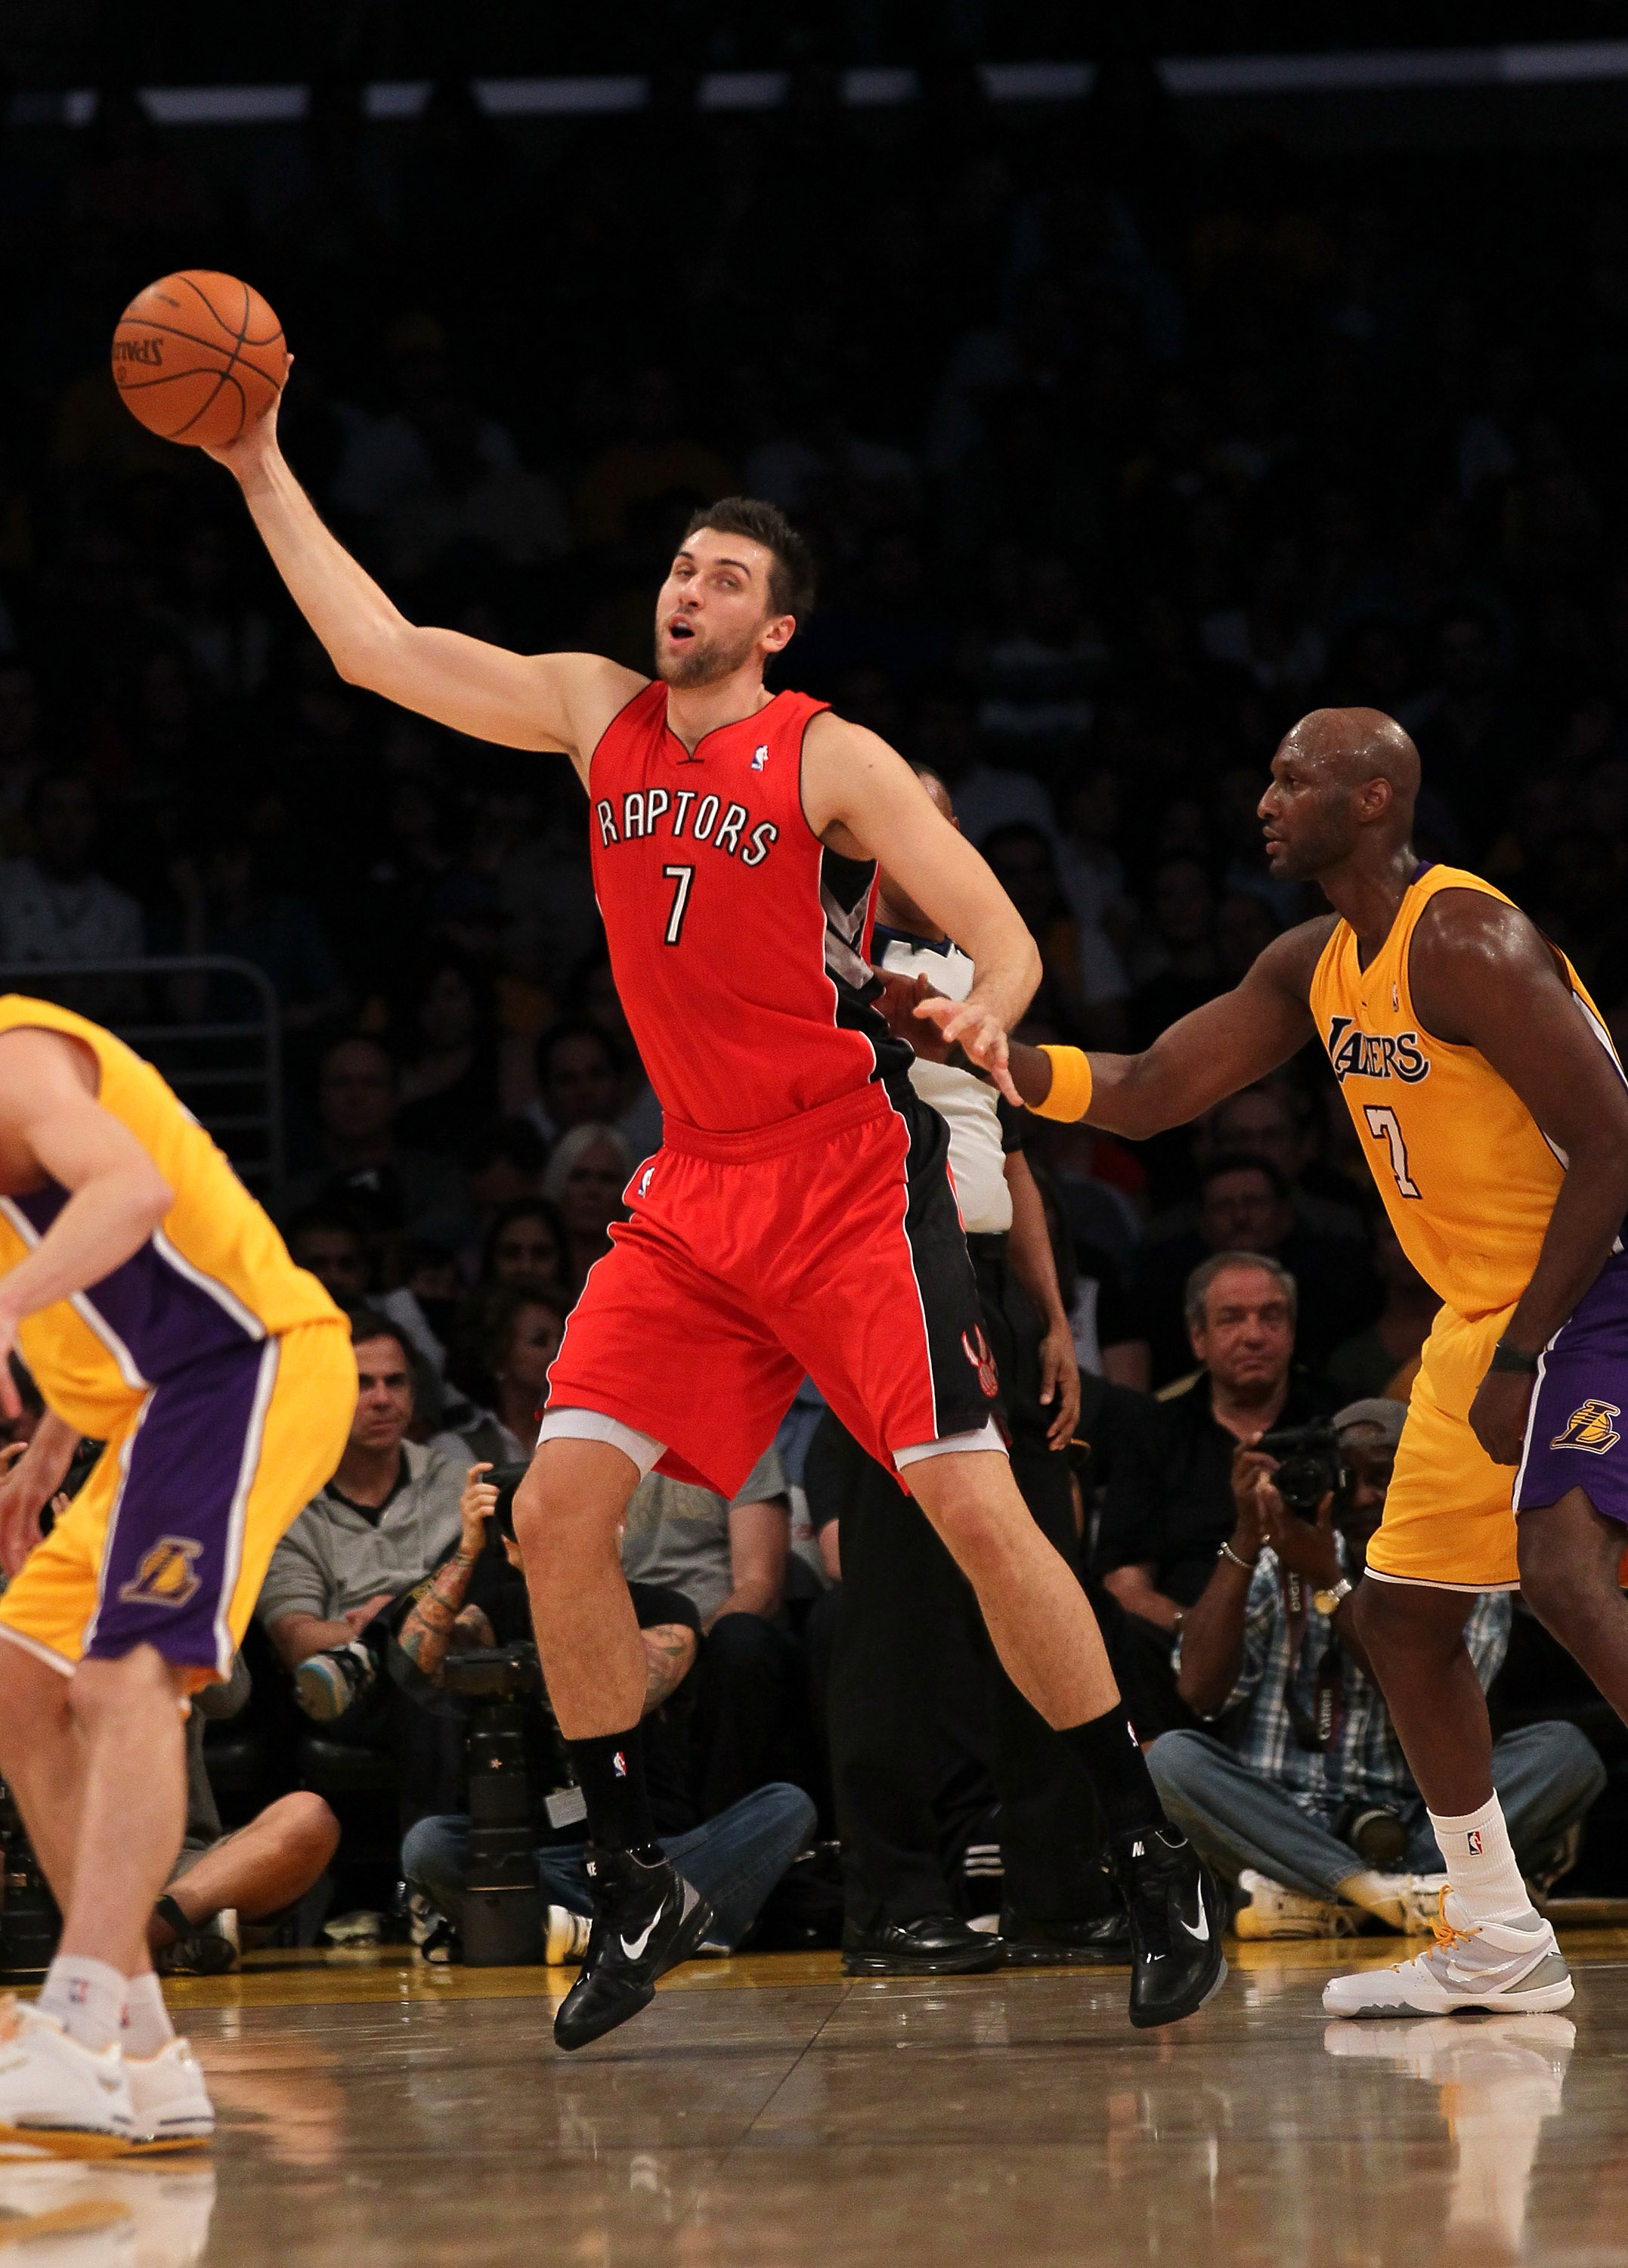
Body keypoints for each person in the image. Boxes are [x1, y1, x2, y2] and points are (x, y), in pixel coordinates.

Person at [213, 387, 1224, 2047]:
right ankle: (634, 1876)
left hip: (843, 1179)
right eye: (681, 567)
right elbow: (372, 649)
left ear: (776, 625)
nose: (688, 590)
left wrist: (991, 1011)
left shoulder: (827, 752)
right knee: (556, 1516)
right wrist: (257, 460)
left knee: (979, 1517)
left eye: (725, 578)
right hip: (693, 1189)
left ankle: (1146, 1853)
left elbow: (1002, 931)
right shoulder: (590, 711)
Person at [995, 704, 1628, 2016]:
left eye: (1291, 780)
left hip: (1590, 1289)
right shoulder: (1312, 963)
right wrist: (996, 1058)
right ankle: (1496, 1934)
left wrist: (1524, 1351)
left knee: (1567, 1574)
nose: (1264, 802)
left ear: (1373, 799)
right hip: (1482, 1318)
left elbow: (1612, 1146)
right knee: (1400, 1620)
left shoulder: (1464, 939)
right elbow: (1152, 1086)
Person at [0, 994, 354, 2148]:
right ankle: (143, 2055)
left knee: (123, 1679)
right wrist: (52, 1439)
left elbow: (131, 1193)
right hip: (160, 1403)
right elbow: (117, 1288)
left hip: (246, 1365)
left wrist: (5, 1310)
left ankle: (77, 2022)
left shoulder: (14, 1061)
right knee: (18, 1681)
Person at [830, 771, 1125, 1974]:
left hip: (994, 1288)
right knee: (895, 1613)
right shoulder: (828, 960)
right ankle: (890, 1902)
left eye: (947, 817)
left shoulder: (979, 967)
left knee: (1044, 1585)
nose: (934, 835)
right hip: (884, 1281)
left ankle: (1059, 1891)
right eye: (910, 815)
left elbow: (1009, 1155)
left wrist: (1051, 1321)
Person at [1149, 1399, 1604, 1938]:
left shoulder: (1459, 1570)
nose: (1365, 1497)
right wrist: (1248, 1535)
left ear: (1417, 1478)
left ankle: (1327, 1899)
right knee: (1170, 1760)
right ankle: (1397, 1897)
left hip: (1422, 1820)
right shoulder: (1286, 1556)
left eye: (1384, 1477)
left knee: (1566, 1754)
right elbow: (1198, 1691)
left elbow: (1435, 1702)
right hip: (1287, 1818)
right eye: (1349, 1480)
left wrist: (1331, 1583)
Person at [395, 1464, 814, 1956]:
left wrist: (579, 1582)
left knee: (788, 1807)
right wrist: (468, 1549)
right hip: (538, 1856)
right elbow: (417, 1661)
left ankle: (582, 1926)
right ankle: (644, 1928)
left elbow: (632, 1691)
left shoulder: (663, 1607)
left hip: (651, 1852)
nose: (559, 1536)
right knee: (429, 1845)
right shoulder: (499, 1609)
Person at [1095, 1251, 1338, 1729]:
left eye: (1271, 1317)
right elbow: (1125, 1588)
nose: (1254, 1335)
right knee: (1119, 1634)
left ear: (1292, 1330)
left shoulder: (1340, 1420)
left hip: (1325, 1635)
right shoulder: (1152, 1432)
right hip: (1187, 1646)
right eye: (1232, 1319)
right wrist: (1206, 1633)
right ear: (1198, 1338)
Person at [257, 1313, 466, 1725]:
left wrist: (392, 1623)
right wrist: (405, 1630)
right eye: (361, 1384)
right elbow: (297, 1640)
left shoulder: (458, 1482)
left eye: (396, 1382)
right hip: (355, 1692)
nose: (383, 1399)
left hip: (457, 1672)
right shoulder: (289, 1507)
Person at [617, 1443, 798, 1820]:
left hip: (715, 1633)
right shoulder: (595, 1450)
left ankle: (730, 1827)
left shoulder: (739, 1440)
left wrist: (690, 1643)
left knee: (741, 1640)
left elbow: (760, 1586)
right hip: (628, 1628)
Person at [151, 1654, 340, 1975]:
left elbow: (228, 1697)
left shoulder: (173, 1620)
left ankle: (143, 1935)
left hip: (184, 1867)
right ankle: (172, 1938)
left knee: (308, 1819)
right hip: (78, 1871)